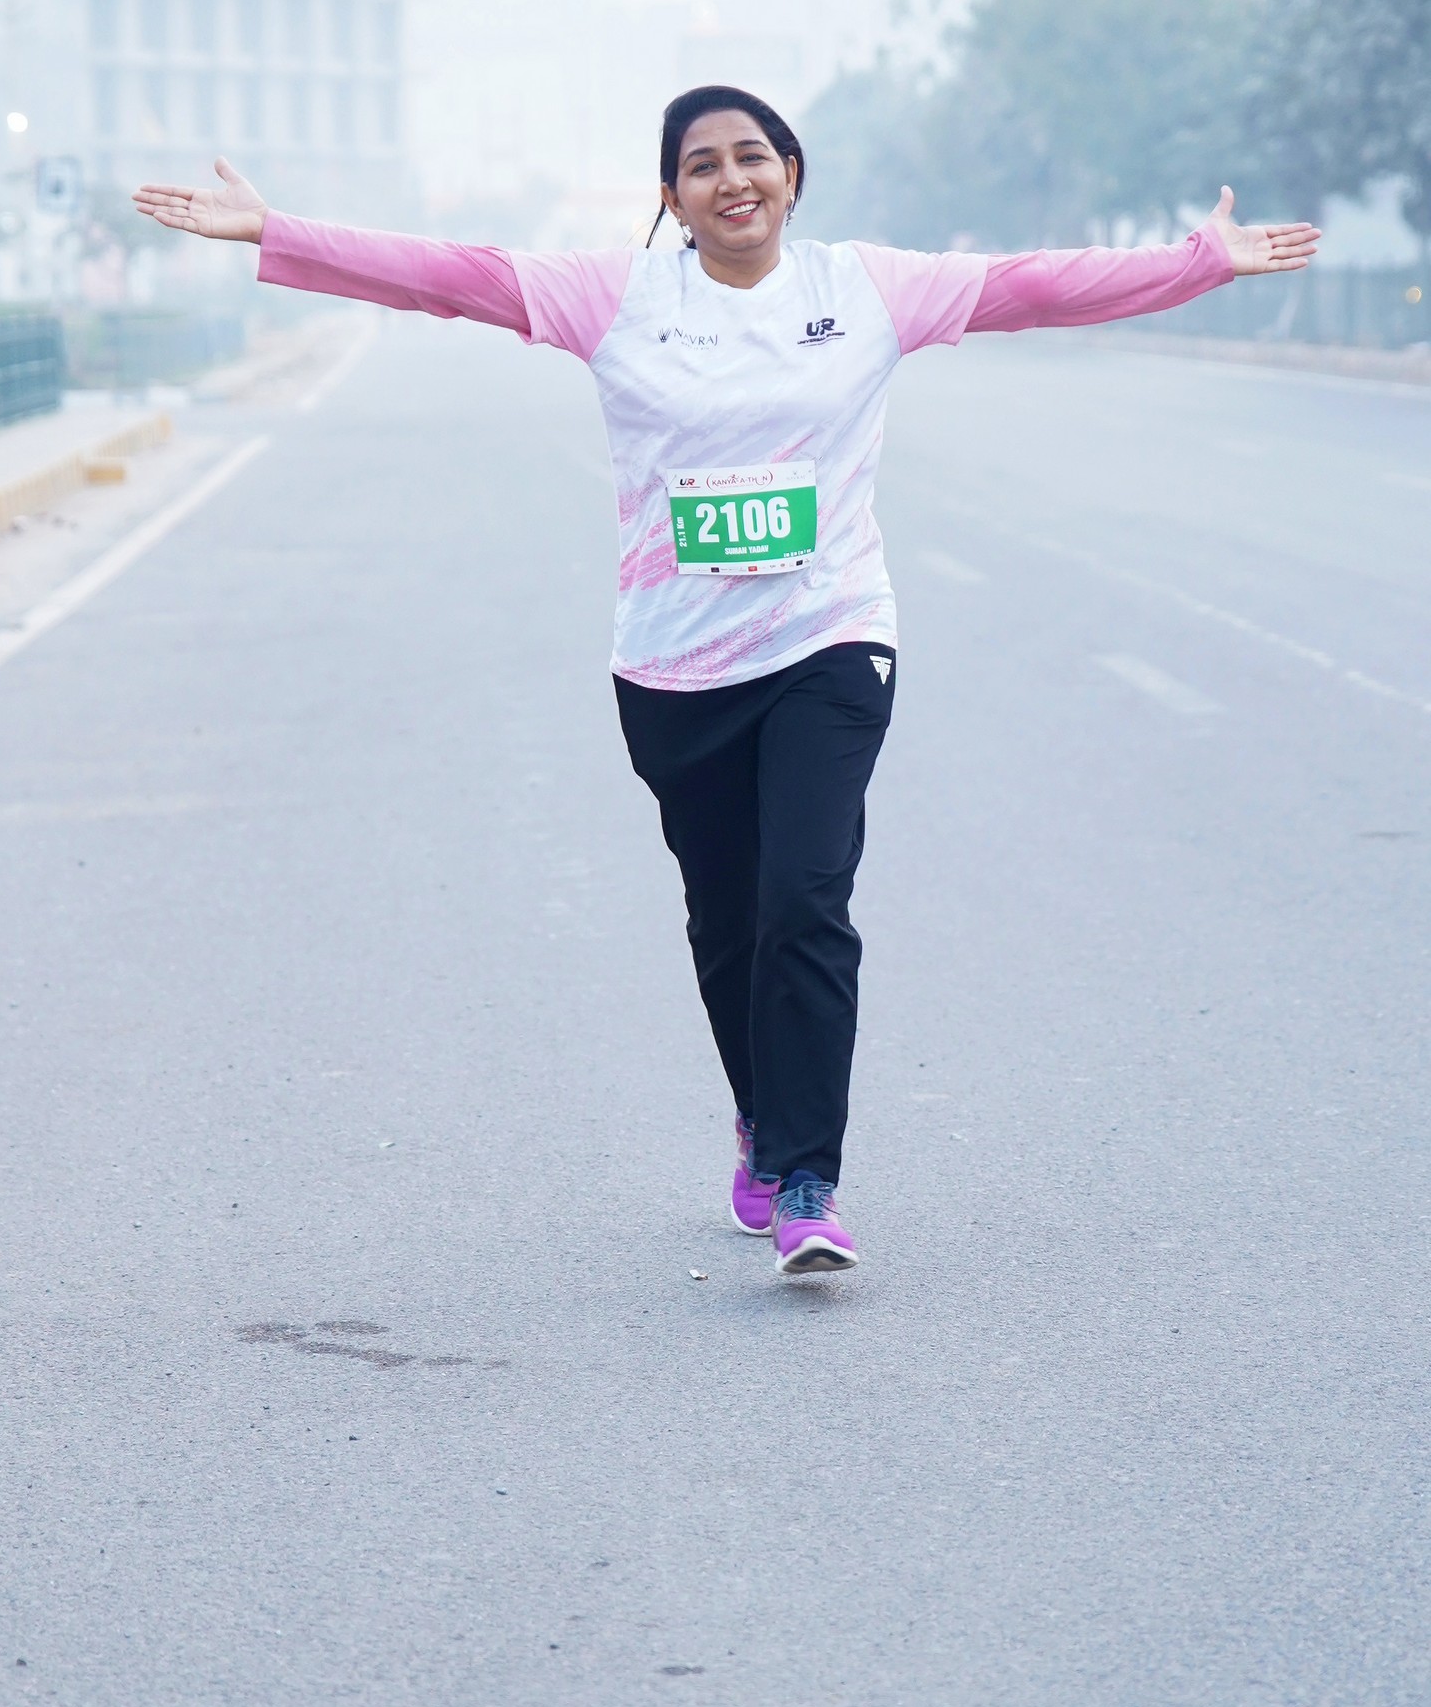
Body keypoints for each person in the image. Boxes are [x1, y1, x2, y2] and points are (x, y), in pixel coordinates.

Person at [134, 84, 1319, 1276]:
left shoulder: (865, 288)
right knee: (727, 921)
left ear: (790, 174)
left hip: (828, 638)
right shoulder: (617, 296)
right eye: (701, 165)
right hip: (675, 667)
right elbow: (448, 276)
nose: (731, 179)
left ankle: (807, 1180)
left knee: (805, 897)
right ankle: (760, 1119)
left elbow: (1038, 286)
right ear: (672, 196)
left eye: (752, 156)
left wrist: (1195, 263)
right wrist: (276, 231)